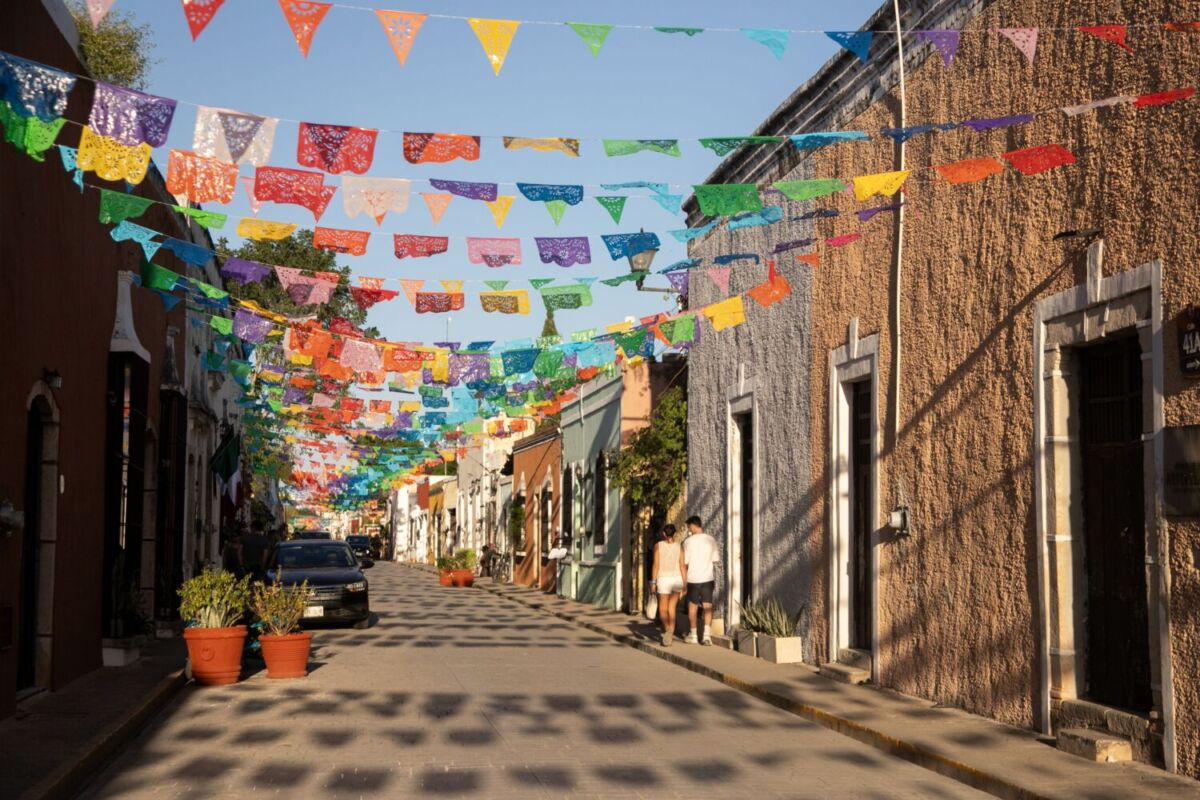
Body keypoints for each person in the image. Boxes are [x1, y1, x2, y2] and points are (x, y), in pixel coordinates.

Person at [682, 515, 719, 645]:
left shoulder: (687, 542)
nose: (688, 529)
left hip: (693, 579)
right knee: (707, 606)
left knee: (692, 607)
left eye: (688, 527)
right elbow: (715, 559)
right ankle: (706, 636)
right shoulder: (711, 540)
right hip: (707, 578)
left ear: (693, 525)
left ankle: (693, 635)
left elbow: (684, 562)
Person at [650, 524, 686, 647]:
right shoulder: (680, 547)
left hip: (663, 579)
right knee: (672, 608)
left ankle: (668, 631)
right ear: (675, 534)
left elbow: (655, 565)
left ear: (664, 534)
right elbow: (682, 566)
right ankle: (670, 633)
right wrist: (685, 584)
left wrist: (652, 582)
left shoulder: (658, 546)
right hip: (677, 579)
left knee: (662, 609)